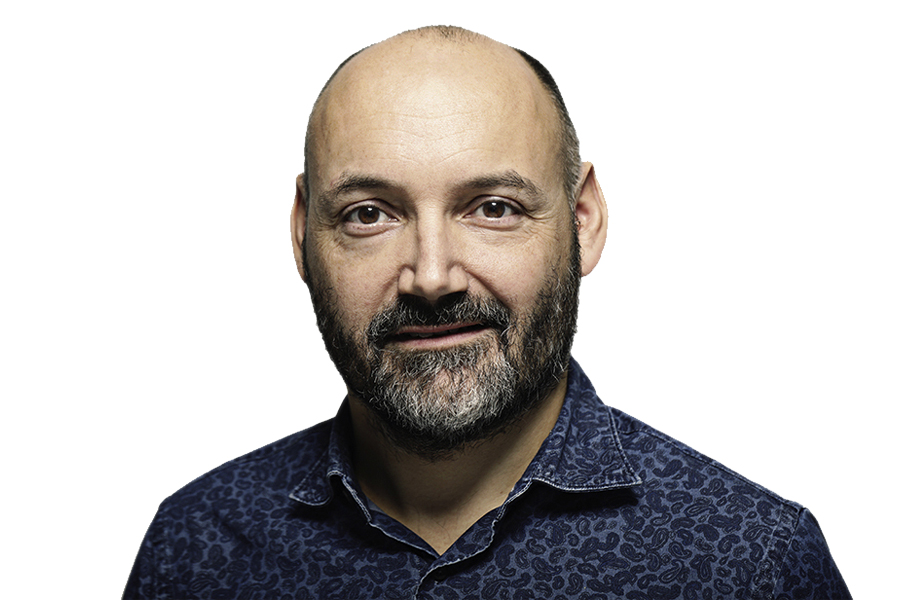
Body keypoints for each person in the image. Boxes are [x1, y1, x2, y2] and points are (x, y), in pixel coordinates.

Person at [123, 26, 850, 599]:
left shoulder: (755, 563)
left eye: (493, 209)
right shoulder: (194, 549)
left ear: (584, 220)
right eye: (369, 214)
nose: (432, 277)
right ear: (301, 236)